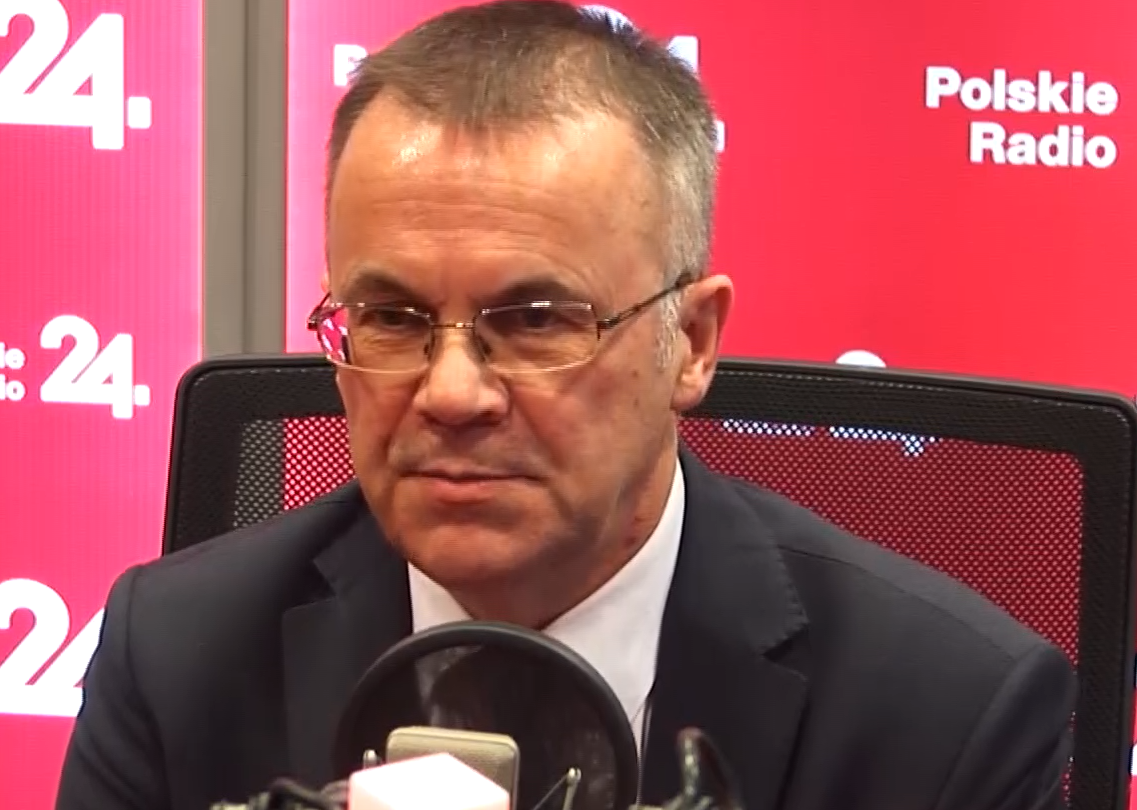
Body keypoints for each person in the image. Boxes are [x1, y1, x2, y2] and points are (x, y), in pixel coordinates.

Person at [56, 2, 1075, 809]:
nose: (451, 393)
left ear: (692, 343)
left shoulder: (947, 713)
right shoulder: (177, 657)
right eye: (393, 318)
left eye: (537, 320)